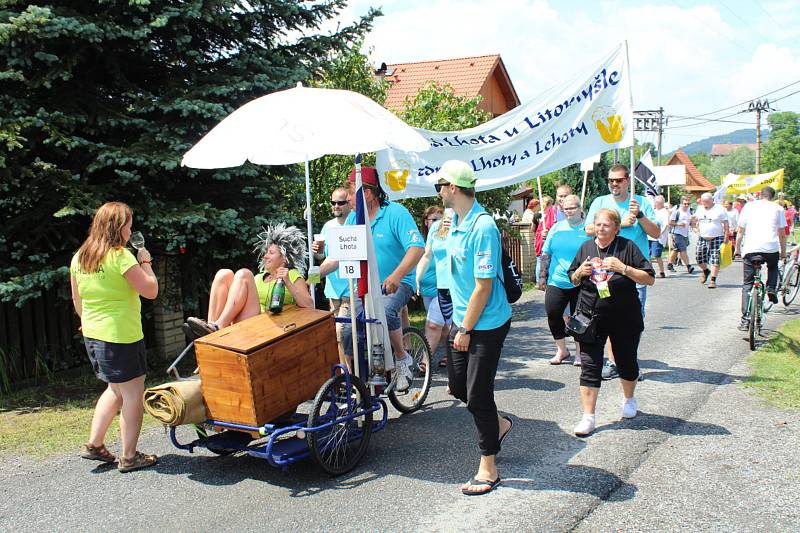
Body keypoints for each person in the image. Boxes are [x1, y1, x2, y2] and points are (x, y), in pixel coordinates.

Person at [436, 159, 512, 496]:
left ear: (453, 187)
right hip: (462, 319)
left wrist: (465, 329)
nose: (438, 191)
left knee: (478, 394)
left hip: (486, 323)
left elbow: (483, 286)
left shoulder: (483, 227)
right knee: (458, 387)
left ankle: (488, 469)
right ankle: (499, 424)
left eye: (440, 185)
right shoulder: (454, 221)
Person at [70, 202, 159, 472]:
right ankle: (129, 456)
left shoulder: (80, 257)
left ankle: (94, 445)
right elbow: (150, 290)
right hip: (121, 335)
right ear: (118, 227)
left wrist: (87, 321)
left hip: (94, 334)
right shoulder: (121, 257)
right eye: (129, 225)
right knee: (133, 394)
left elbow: (78, 299)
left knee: (114, 389)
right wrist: (145, 262)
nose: (131, 229)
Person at [320, 167, 424, 391]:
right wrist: (313, 274)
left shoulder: (396, 213)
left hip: (398, 282)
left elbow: (417, 248)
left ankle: (401, 358)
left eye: (350, 193)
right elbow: (338, 255)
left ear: (367, 193)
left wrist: (396, 276)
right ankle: (354, 379)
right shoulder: (352, 221)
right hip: (364, 286)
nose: (347, 199)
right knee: (347, 330)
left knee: (385, 311)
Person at [568, 208, 655, 436]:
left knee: (626, 361)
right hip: (590, 317)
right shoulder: (586, 247)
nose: (601, 228)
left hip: (624, 316)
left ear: (616, 228)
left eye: (606, 225)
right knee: (590, 366)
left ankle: (629, 399)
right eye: (598, 224)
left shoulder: (627, 247)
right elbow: (572, 278)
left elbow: (649, 278)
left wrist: (623, 268)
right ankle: (588, 417)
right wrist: (579, 272)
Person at [584, 164, 659, 381]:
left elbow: (655, 232)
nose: (614, 184)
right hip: (605, 269)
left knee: (634, 318)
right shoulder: (600, 202)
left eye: (618, 180)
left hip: (633, 269)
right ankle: (614, 362)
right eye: (611, 180)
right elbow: (589, 228)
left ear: (628, 180)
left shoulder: (641, 202)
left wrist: (641, 216)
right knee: (607, 315)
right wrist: (623, 224)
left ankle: (629, 361)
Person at [185, 224, 313, 336]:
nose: (265, 256)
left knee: (244, 274)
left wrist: (288, 283)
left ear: (284, 258)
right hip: (248, 320)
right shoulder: (258, 278)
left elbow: (309, 305)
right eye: (266, 252)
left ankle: (218, 326)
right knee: (224, 274)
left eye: (271, 252)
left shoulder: (292, 275)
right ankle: (210, 328)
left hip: (268, 325)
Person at [538, 194, 590, 366]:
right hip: (557, 280)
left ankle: (579, 352)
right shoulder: (556, 228)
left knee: (579, 318)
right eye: (565, 208)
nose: (568, 211)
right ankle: (561, 349)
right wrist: (542, 276)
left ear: (580, 208)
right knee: (553, 313)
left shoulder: (588, 229)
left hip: (581, 281)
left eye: (572, 207)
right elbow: (546, 253)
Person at [735, 186, 787, 331]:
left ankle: (745, 319)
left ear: (760, 195)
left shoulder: (749, 207)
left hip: (751, 248)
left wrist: (737, 249)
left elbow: (740, 231)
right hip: (770, 247)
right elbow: (782, 234)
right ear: (772, 196)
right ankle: (771, 288)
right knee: (773, 266)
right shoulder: (778, 208)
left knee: (747, 284)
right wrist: (783, 252)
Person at [313, 187, 352, 365]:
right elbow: (324, 257)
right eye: (333, 203)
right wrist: (318, 252)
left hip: (351, 289)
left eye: (341, 202)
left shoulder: (355, 224)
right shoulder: (328, 226)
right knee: (337, 335)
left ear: (349, 204)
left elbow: (336, 259)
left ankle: (350, 377)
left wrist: (310, 278)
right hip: (333, 290)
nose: (336, 206)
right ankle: (345, 376)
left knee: (341, 332)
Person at [416, 206, 453, 365]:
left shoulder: (466, 226)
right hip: (435, 289)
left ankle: (428, 360)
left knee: (437, 325)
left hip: (455, 288)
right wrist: (416, 278)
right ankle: (445, 358)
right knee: (441, 326)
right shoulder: (435, 231)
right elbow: (426, 255)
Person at [691, 192, 729, 289]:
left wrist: (726, 235)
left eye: (707, 201)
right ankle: (705, 271)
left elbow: (725, 223)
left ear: (712, 200)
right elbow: (694, 220)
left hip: (716, 237)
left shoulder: (719, 209)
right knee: (699, 257)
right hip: (703, 237)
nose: (705, 203)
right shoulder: (699, 209)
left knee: (715, 259)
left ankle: (713, 280)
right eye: (703, 202)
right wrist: (694, 228)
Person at [667, 196, 695, 274]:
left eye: (688, 204)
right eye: (685, 204)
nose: (686, 205)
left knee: (676, 250)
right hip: (677, 233)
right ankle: (688, 266)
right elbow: (670, 222)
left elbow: (691, 222)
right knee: (683, 249)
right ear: (681, 203)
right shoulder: (676, 212)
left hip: (685, 234)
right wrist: (678, 224)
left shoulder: (690, 212)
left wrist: (694, 226)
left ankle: (669, 264)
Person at [648, 195, 670, 278]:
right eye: (655, 202)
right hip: (649, 236)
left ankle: (662, 272)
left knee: (657, 255)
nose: (655, 204)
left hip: (657, 238)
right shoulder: (653, 211)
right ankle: (650, 271)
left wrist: (660, 233)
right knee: (648, 254)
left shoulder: (664, 212)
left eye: (657, 202)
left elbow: (666, 225)